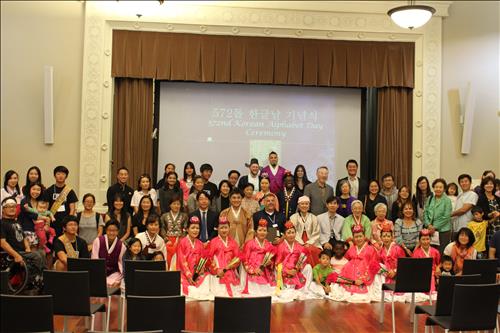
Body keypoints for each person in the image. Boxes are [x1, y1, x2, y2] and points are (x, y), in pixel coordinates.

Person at [329, 225, 380, 303]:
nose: (358, 239)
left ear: (364, 237)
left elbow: (373, 265)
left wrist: (363, 279)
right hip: (350, 274)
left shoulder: (371, 249)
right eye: (356, 237)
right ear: (353, 238)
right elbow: (346, 260)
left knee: (361, 292)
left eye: (360, 236)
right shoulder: (351, 249)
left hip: (364, 273)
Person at [0, 197, 46, 284]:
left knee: (41, 253)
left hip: (22, 252)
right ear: (3, 210)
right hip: (10, 254)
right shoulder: (2, 223)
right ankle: (31, 281)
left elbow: (24, 237)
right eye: (9, 207)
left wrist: (28, 248)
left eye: (14, 206)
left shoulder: (16, 222)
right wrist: (16, 255)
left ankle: (40, 278)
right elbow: (2, 243)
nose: (12, 208)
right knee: (36, 256)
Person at [176, 216, 212, 300]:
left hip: (196, 273)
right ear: (187, 229)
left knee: (208, 278)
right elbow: (182, 261)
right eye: (192, 228)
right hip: (184, 274)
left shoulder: (200, 243)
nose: (195, 230)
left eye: (197, 228)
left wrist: (199, 272)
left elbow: (202, 261)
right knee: (184, 288)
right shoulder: (182, 242)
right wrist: (189, 276)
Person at [274, 221, 313, 299]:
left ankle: (304, 290)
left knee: (308, 267)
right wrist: (287, 271)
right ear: (284, 235)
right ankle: (285, 288)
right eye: (288, 233)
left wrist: (297, 268)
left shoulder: (299, 246)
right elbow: (277, 264)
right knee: (277, 271)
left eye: (293, 232)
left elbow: (303, 261)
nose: (291, 235)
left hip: (296, 271)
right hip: (284, 272)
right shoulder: (281, 247)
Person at [241, 218, 276, 296]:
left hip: (265, 271)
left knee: (270, 292)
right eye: (260, 230)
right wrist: (253, 270)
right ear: (256, 232)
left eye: (264, 230)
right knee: (256, 291)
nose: (262, 232)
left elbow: (272, 261)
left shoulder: (269, 245)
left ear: (267, 232)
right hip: (253, 270)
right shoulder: (249, 244)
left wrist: (270, 263)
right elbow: (244, 260)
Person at [208, 217, 241, 297]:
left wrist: (229, 267)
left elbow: (238, 258)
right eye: (221, 228)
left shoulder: (233, 242)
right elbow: (209, 258)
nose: (224, 230)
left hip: (230, 271)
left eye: (226, 227)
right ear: (217, 229)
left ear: (229, 228)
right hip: (218, 272)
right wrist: (216, 270)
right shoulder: (213, 242)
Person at [44, 166, 78, 236]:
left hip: (65, 224)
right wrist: (47, 223)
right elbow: (46, 208)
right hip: (52, 222)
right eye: (58, 174)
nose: (61, 176)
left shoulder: (70, 191)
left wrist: (68, 224)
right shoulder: (48, 190)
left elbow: (72, 209)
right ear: (54, 175)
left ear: (66, 176)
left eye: (63, 174)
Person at [91, 220, 126, 287]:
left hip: (113, 273)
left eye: (114, 230)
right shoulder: (98, 241)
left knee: (116, 282)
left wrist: (120, 278)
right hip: (99, 272)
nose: (111, 233)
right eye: (109, 230)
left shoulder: (121, 246)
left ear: (118, 231)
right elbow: (94, 260)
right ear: (106, 230)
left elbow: (121, 264)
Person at [290, 196, 322, 266]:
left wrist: (309, 243)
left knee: (311, 249)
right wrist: (302, 243)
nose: (304, 206)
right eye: (302, 204)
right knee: (302, 250)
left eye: (306, 204)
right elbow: (292, 232)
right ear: (298, 206)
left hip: (312, 241)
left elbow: (316, 232)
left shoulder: (314, 217)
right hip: (297, 241)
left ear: (309, 206)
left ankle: (313, 270)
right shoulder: (293, 217)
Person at [424, 178, 452, 253]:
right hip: (430, 230)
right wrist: (428, 225)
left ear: (444, 189)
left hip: (443, 231)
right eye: (436, 187)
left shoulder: (447, 200)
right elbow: (425, 212)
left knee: (442, 251)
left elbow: (446, 217)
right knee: (430, 251)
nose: (438, 189)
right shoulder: (430, 198)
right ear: (433, 188)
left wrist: (434, 227)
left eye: (440, 187)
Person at [160, 194, 188, 268]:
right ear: (170, 205)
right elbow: (162, 228)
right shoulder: (164, 216)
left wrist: (181, 240)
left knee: (179, 260)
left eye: (178, 204)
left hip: (180, 241)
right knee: (168, 259)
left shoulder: (184, 216)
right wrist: (166, 239)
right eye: (174, 204)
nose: (176, 206)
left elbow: (185, 229)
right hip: (168, 241)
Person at [412, 229, 440, 293]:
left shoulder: (436, 252)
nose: (426, 241)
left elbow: (438, 263)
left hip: (433, 275)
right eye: (423, 239)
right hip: (420, 275)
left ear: (430, 240)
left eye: (427, 239)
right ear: (419, 241)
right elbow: (414, 267)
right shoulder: (416, 253)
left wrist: (438, 268)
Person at [451, 174, 478, 238]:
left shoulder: (472, 194)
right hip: (456, 226)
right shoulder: (460, 194)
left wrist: (449, 214)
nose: (464, 183)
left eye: (466, 181)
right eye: (462, 182)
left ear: (470, 182)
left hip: (466, 226)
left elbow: (464, 210)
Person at [476, 176, 500, 248]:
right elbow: (480, 214)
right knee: (489, 248)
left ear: (494, 186)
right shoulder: (480, 198)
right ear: (483, 186)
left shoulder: (498, 198)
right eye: (487, 184)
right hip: (488, 228)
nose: (489, 185)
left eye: (491, 184)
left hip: (498, 226)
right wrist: (491, 214)